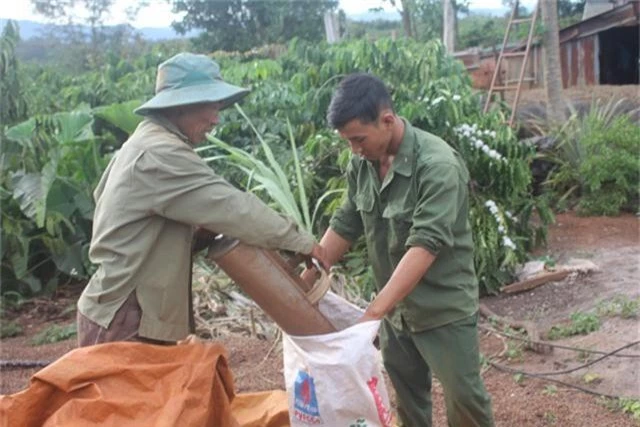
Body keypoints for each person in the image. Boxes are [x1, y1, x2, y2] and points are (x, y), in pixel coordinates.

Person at [77, 52, 327, 347]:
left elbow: (120, 214)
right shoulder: (161, 153)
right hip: (127, 317)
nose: (215, 118)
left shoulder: (142, 143)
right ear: (179, 106)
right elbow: (235, 210)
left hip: (122, 310)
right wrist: (301, 241)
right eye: (209, 106)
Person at [302, 73, 495, 426]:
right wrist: (309, 274)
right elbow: (346, 223)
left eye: (359, 138)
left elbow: (425, 245)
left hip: (442, 308)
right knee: (409, 402)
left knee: (465, 399)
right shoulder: (362, 163)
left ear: (387, 121)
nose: (354, 149)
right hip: (395, 310)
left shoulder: (437, 166)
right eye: (347, 141)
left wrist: (372, 314)